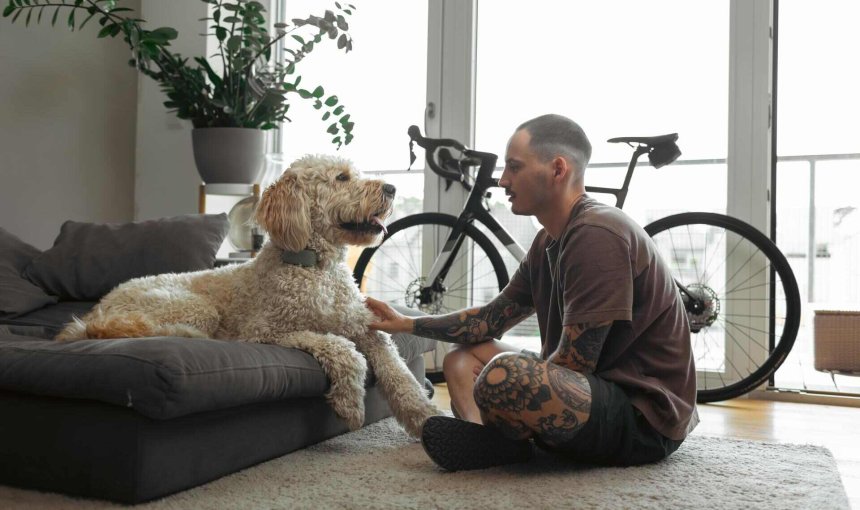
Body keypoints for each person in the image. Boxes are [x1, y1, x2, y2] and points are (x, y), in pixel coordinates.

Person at [365, 114, 698, 471]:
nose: (503, 179)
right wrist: (407, 324)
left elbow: (574, 366)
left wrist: (504, 392)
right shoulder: (548, 240)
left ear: (558, 169)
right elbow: (491, 319)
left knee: (504, 375)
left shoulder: (597, 235)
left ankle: (506, 440)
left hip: (643, 418)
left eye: (514, 167)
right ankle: (491, 445)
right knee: (461, 359)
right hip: (591, 392)